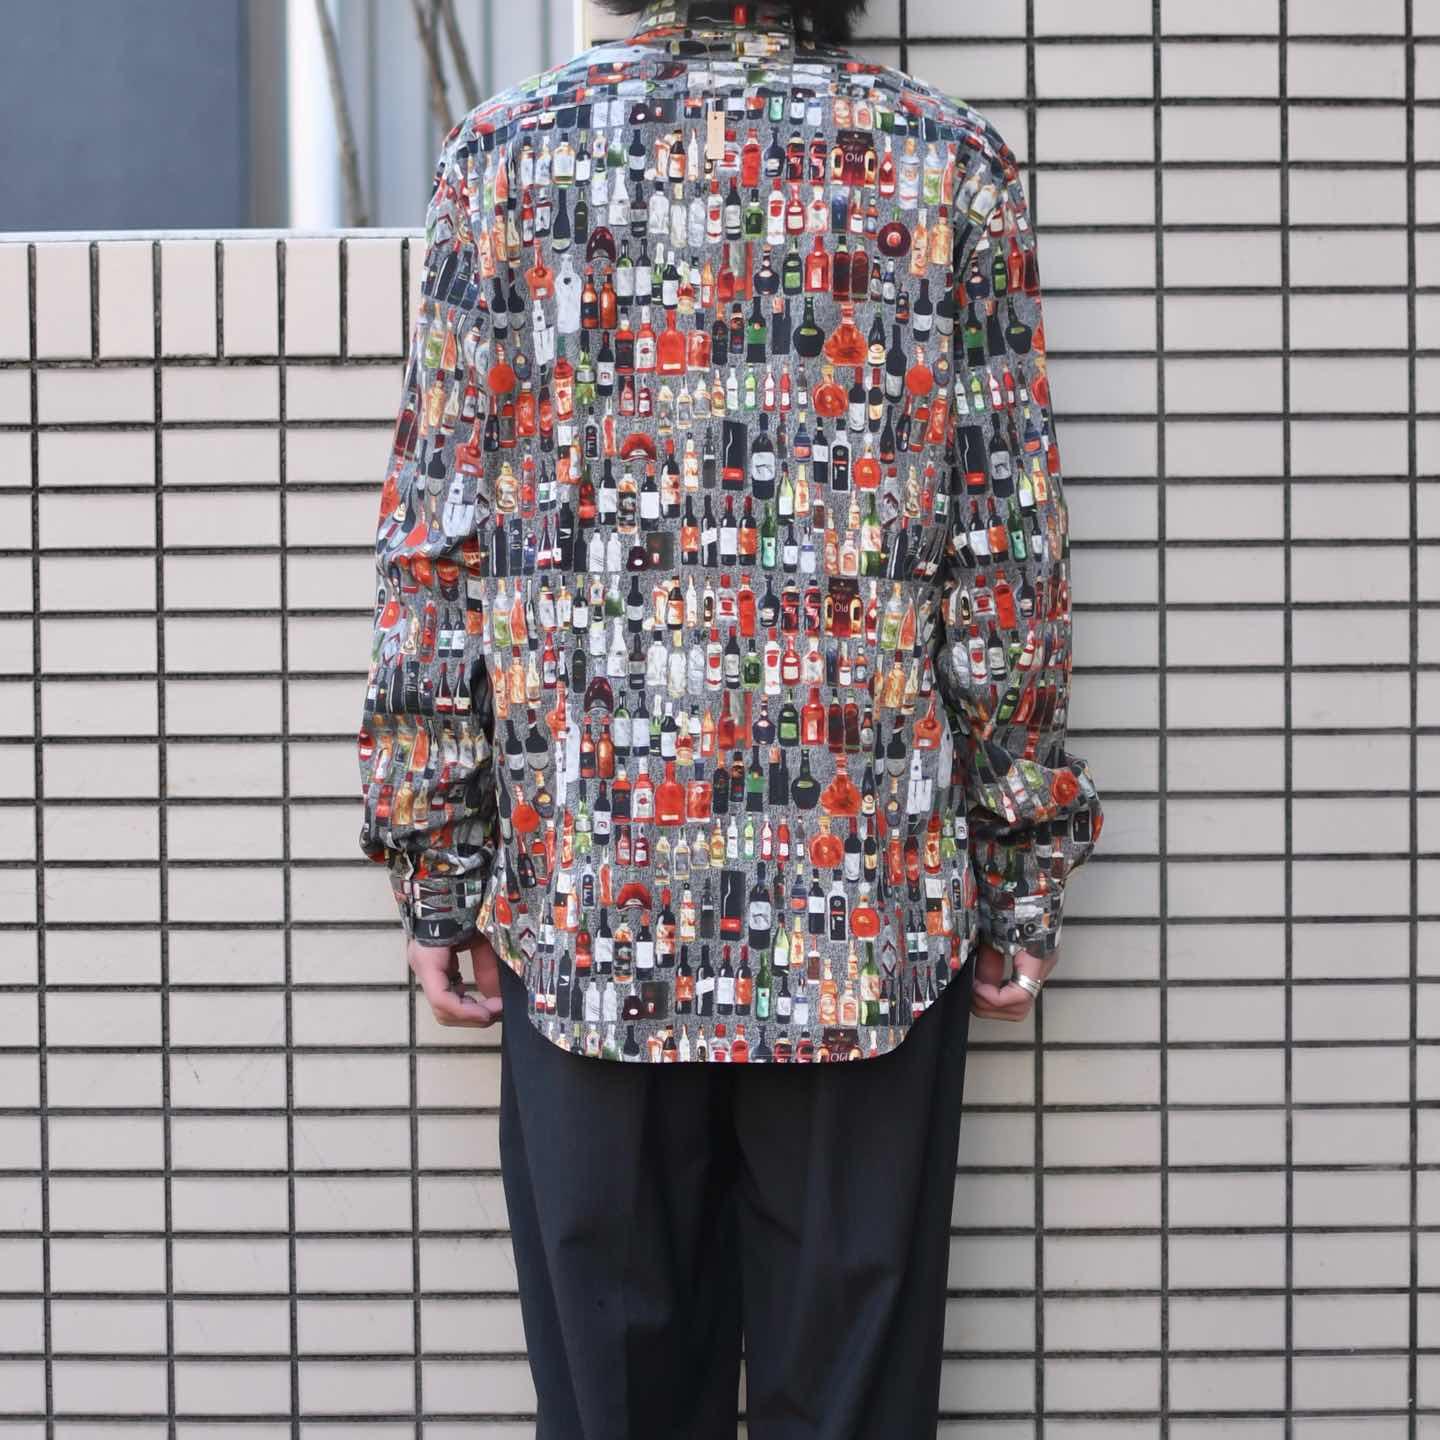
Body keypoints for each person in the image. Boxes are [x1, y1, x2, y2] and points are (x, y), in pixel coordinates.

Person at [356, 0, 1105, 1432]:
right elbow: (1007, 554)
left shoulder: (508, 159)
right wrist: (1022, 864)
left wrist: (435, 860)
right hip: (862, 916)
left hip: (591, 908)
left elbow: (438, 546)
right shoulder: (941, 164)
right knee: (853, 1402)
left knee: (620, 1402)